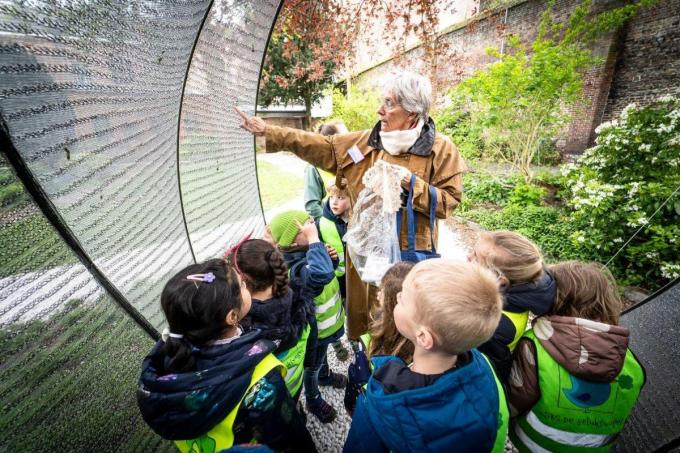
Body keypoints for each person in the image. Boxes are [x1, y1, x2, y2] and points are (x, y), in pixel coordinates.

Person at [236, 70, 467, 340]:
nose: (380, 110)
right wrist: (269, 131)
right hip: (365, 256)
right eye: (383, 101)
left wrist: (411, 183)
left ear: (412, 113)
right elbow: (319, 145)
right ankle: (365, 363)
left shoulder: (441, 149)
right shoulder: (365, 144)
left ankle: (403, 368)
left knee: (405, 317)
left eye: (390, 103)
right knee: (367, 317)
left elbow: (449, 203)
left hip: (409, 254)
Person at [137, 259, 317, 452]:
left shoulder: (161, 367)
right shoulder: (260, 383)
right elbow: (291, 441)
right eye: (242, 285)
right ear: (232, 317)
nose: (245, 284)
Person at [343, 259, 508, 453]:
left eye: (402, 298)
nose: (396, 296)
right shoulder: (483, 366)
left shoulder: (380, 402)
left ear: (423, 336)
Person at [508, 261, 645, 452]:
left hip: (535, 443)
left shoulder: (533, 344)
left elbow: (514, 402)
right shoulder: (628, 358)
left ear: (552, 298)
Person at [268, 210, 346, 423]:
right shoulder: (294, 267)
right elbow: (320, 274)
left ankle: (325, 376)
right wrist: (315, 241)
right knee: (312, 366)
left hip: (328, 326)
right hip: (316, 332)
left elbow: (328, 271)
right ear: (292, 243)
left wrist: (331, 257)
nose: (312, 225)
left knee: (322, 360)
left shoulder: (311, 252)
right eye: (305, 226)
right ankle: (313, 399)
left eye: (311, 221)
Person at [228, 238, 314, 401]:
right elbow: (312, 336)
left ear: (244, 280)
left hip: (269, 397)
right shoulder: (297, 298)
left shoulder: (245, 328)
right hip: (295, 382)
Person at [469, 230, 556, 382]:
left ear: (500, 280)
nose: (468, 257)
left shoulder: (493, 323)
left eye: (475, 257)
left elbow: (491, 370)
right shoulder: (516, 295)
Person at [344, 261, 415, 416]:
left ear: (393, 303)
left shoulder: (387, 352)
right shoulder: (415, 343)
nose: (377, 293)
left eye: (382, 290)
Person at [317, 181, 352, 362]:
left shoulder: (354, 219)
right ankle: (337, 345)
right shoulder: (322, 223)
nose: (334, 202)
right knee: (333, 313)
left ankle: (354, 338)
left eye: (340, 197)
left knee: (351, 310)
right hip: (333, 280)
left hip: (352, 279)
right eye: (331, 197)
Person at [304, 121, 349, 220]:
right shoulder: (313, 168)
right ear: (331, 142)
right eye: (345, 137)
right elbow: (312, 206)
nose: (350, 139)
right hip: (333, 228)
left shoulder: (352, 158)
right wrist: (330, 224)